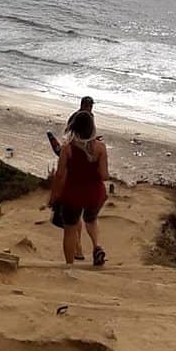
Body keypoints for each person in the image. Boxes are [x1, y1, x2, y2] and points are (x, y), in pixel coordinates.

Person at [48, 110, 109, 266]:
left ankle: (70, 266)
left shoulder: (67, 149)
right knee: (91, 220)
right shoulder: (100, 148)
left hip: (73, 195)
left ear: (73, 128)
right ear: (92, 128)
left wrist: (54, 195)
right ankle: (96, 247)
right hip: (95, 194)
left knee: (70, 230)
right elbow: (104, 175)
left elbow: (60, 175)